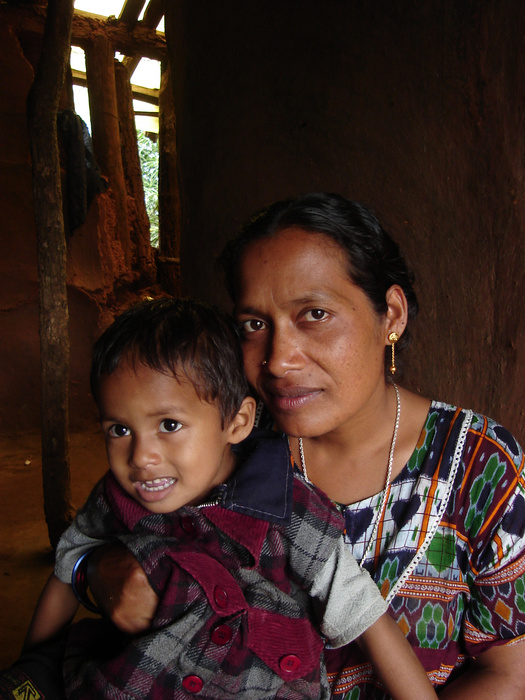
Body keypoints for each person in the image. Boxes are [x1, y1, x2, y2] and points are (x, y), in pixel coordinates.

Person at [80, 193, 525, 698]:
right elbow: (107, 527)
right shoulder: (225, 442)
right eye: (254, 324)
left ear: (391, 315)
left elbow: (510, 673)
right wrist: (93, 569)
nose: (279, 360)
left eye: (314, 313)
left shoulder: (482, 467)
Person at [20, 297, 436, 700]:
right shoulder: (115, 498)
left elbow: (363, 615)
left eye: (168, 424)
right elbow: (67, 564)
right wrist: (33, 667)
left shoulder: (290, 511)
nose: (141, 458)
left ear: (237, 422)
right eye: (119, 430)